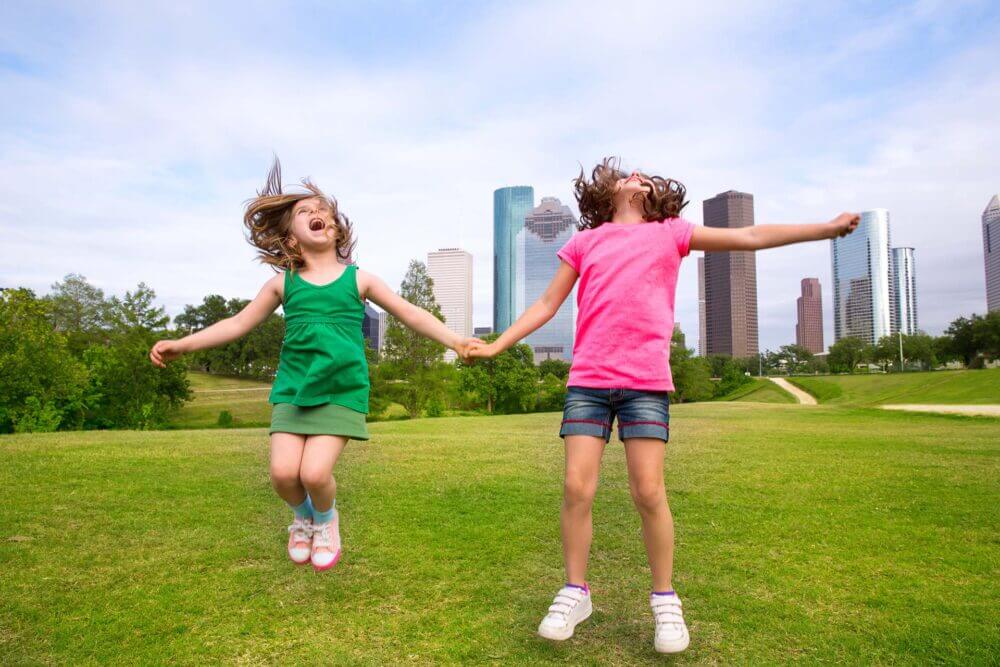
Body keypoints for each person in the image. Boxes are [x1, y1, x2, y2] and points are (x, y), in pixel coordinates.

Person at [468, 157, 858, 653]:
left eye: (646, 177)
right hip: (588, 379)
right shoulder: (585, 241)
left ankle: (665, 599)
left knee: (649, 491)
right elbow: (547, 304)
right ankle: (575, 591)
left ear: (655, 196)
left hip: (645, 383)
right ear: (606, 190)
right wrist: (499, 344)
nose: (638, 176)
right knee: (575, 486)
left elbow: (750, 237)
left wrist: (823, 229)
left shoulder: (671, 232)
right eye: (629, 174)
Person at [151, 159, 480, 571]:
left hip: (341, 390)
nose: (318, 215)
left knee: (315, 473)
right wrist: (184, 344)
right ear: (291, 236)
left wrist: (455, 340)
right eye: (306, 212)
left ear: (337, 228)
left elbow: (410, 313)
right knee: (283, 474)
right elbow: (238, 324)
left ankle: (325, 520)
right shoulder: (282, 284)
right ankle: (302, 517)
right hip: (293, 389)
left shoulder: (360, 280)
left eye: (323, 210)